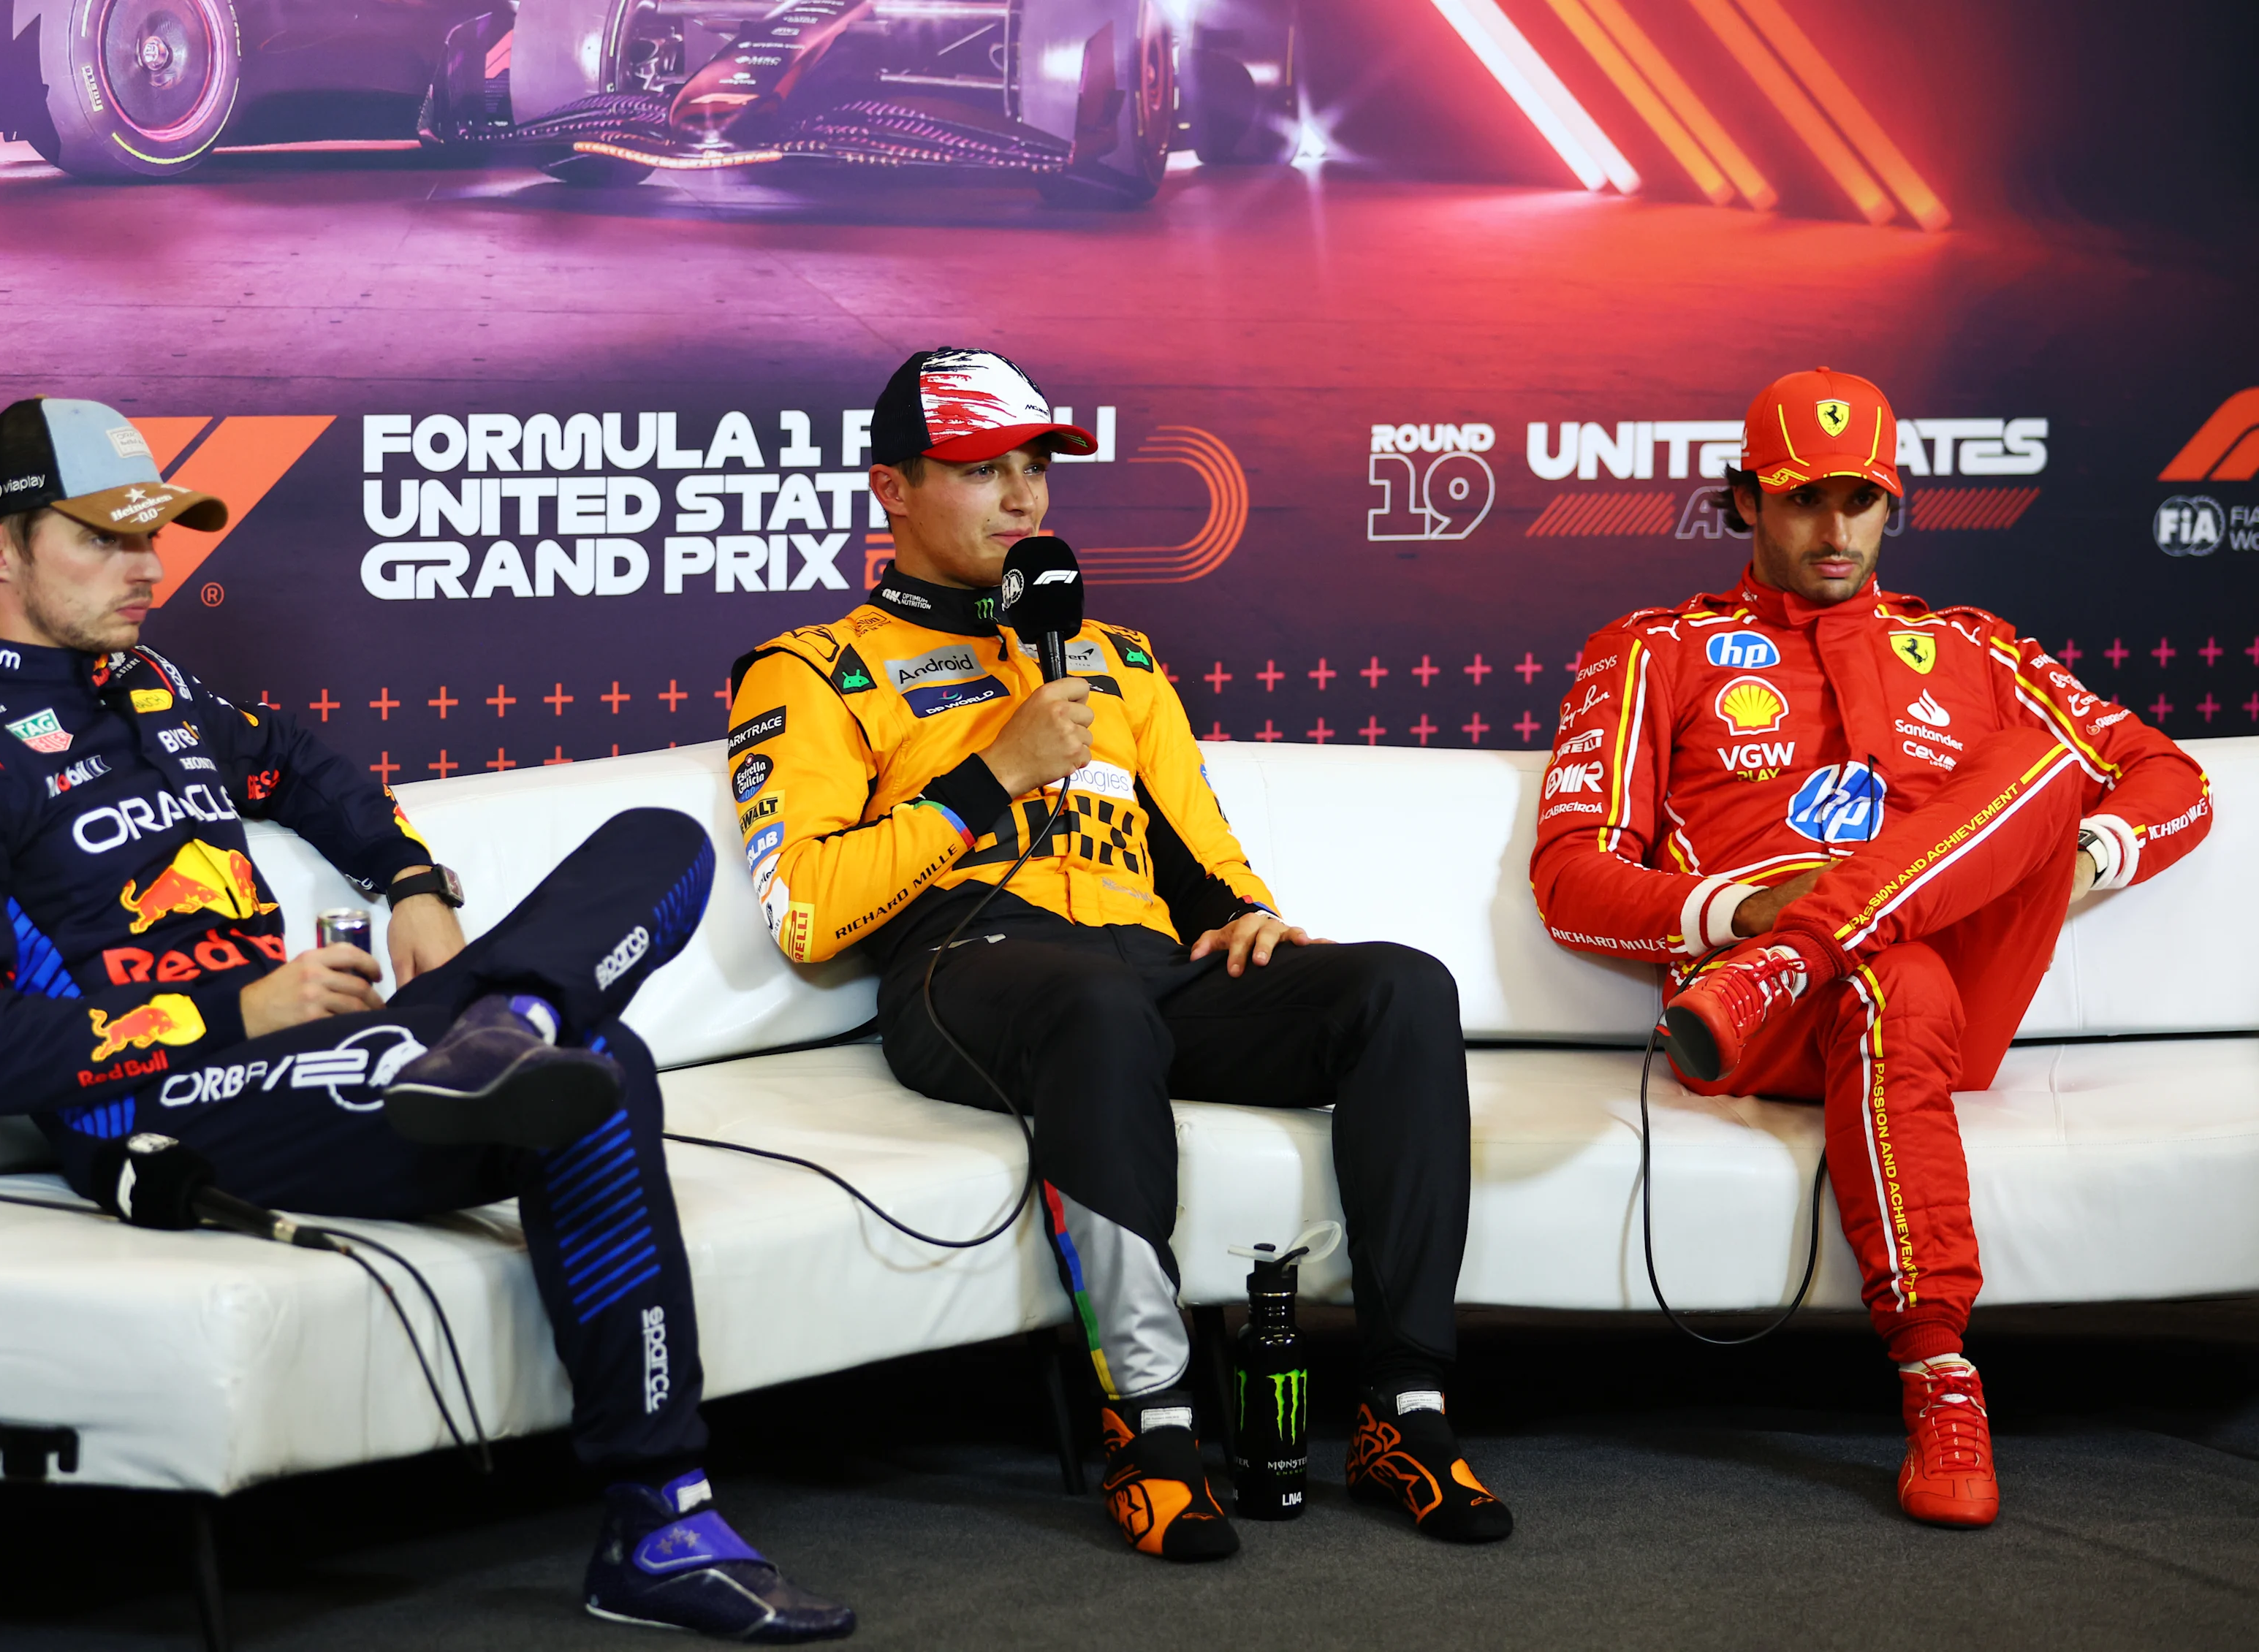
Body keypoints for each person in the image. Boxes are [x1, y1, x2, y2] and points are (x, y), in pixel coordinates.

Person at [0, 397, 854, 1644]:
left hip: (335, 1056)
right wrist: (229, 1008)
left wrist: (409, 883)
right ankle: (660, 1518)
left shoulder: (152, 688)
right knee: (603, 1065)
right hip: (153, 1112)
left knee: (663, 844)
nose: (150, 566)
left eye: (152, 535)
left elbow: (305, 770)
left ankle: (508, 1019)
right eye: (103, 538)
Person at [725, 349, 1511, 1561]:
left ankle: (1406, 1406)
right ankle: (1150, 1426)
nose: (1024, 496)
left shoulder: (1120, 659)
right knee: (1094, 1002)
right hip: (968, 970)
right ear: (891, 486)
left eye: (1035, 466)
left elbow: (1203, 856)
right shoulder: (815, 670)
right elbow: (806, 910)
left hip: (1143, 967)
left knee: (1400, 986)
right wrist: (993, 776)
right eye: (984, 469)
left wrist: (1253, 915)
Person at [1530, 367, 2214, 1529]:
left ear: (1895, 506)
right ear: (1743, 502)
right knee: (1892, 976)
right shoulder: (1657, 649)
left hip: (1924, 980)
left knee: (2044, 765)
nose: (1836, 529)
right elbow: (1571, 880)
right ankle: (1940, 1378)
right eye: (1804, 499)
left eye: (1863, 499)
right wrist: (1736, 914)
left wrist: (2069, 863)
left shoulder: (1971, 646)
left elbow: (2174, 781)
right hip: (1760, 1006)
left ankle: (1808, 948)